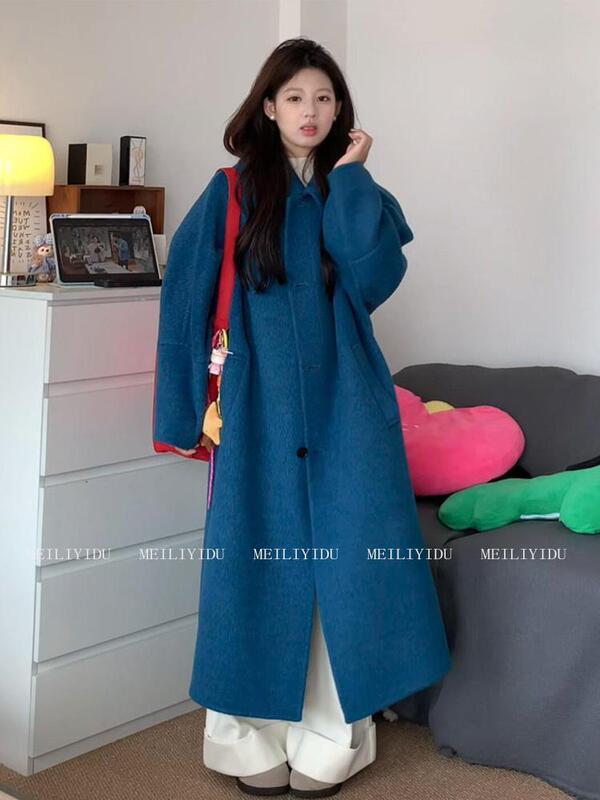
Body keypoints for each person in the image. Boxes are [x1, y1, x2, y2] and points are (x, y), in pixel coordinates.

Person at [153, 37, 451, 798]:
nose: (309, 111)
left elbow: (372, 277)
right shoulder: (230, 191)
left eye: (323, 98)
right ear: (268, 106)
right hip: (256, 411)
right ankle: (242, 740)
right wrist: (182, 415)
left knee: (345, 572)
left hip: (349, 407)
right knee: (254, 567)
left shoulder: (358, 192)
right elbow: (185, 300)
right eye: (294, 98)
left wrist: (350, 178)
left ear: (340, 109)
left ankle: (333, 741)